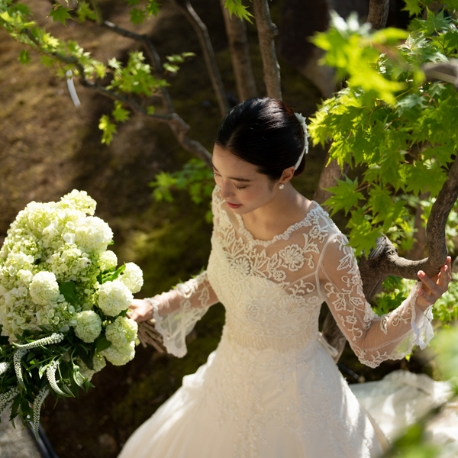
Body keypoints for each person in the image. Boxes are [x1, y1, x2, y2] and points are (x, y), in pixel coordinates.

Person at [121, 98, 451, 458]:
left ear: (285, 175)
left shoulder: (324, 246)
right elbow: (219, 280)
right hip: (228, 376)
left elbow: (366, 341)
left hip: (296, 402)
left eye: (240, 182)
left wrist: (420, 302)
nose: (224, 190)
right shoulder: (228, 204)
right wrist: (155, 306)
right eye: (218, 173)